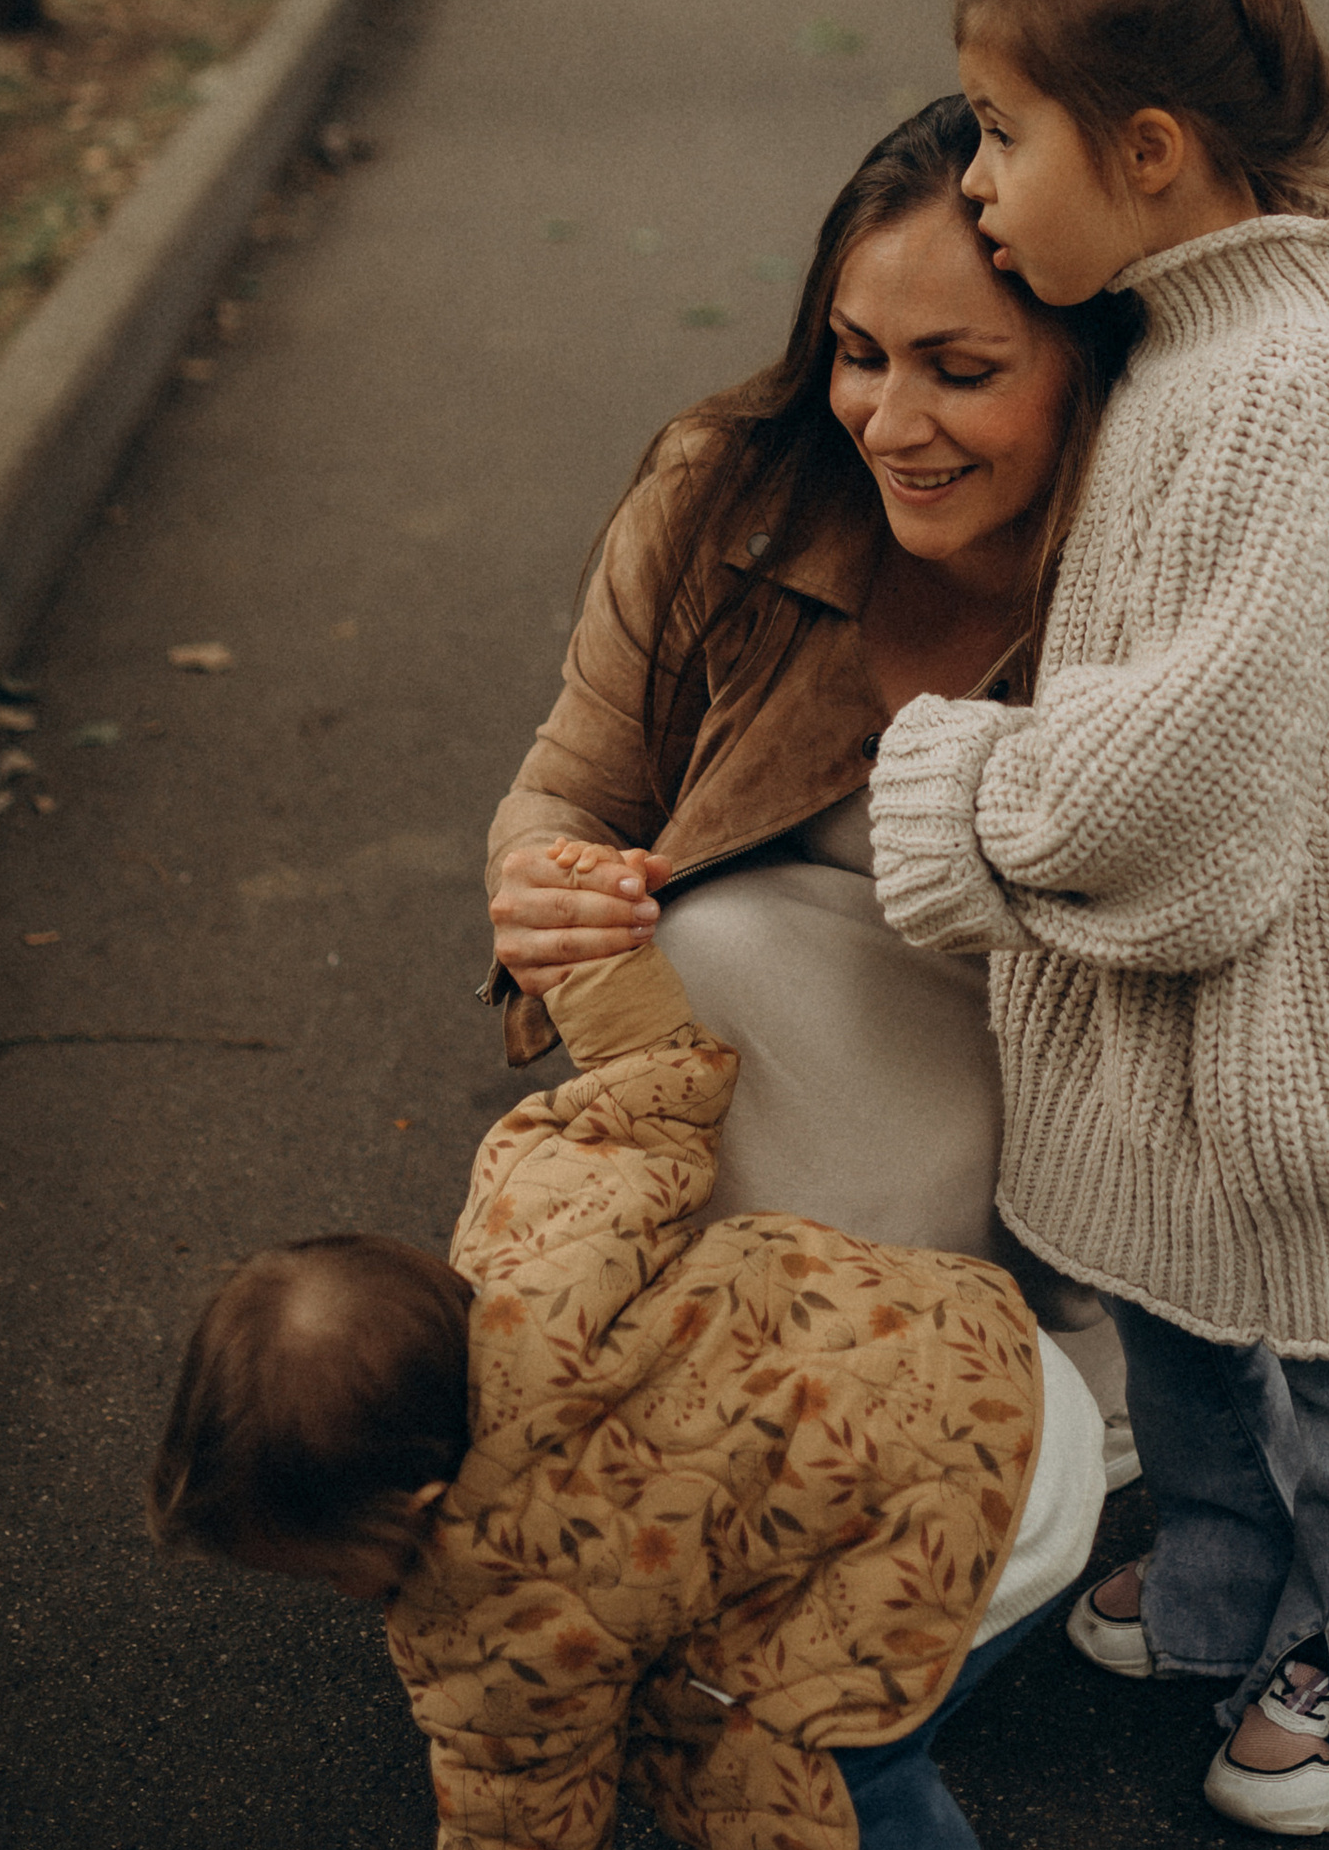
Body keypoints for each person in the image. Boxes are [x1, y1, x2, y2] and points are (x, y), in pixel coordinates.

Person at [866, 0, 1329, 1840]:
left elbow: (1192, 777)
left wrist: (955, 785)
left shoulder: (1287, 386)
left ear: (1147, 150)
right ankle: (1233, 1584)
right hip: (1213, 1013)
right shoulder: (1192, 344)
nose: (971, 180)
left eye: (998, 131)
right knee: (1177, 1329)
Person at [147, 941, 1102, 1850]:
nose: (340, 1594)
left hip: (971, 1520)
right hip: (986, 1358)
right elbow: (647, 1088)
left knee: (816, 1755)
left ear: (424, 1498)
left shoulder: (492, 1591)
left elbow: (519, 1795)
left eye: (330, 1564)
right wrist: (598, 965)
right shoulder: (527, 1241)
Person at [480, 97, 1137, 1450]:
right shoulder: (727, 489)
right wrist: (541, 887)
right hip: (769, 1053)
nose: (891, 422)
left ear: (1091, 366)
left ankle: (1059, 1383)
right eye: (856, 356)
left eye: (960, 372)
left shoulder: (1168, 564)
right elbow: (570, 791)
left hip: (1082, 1096)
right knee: (699, 948)